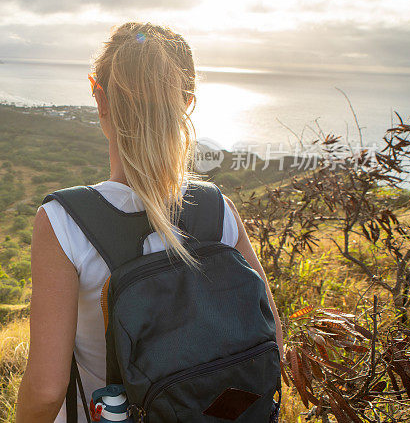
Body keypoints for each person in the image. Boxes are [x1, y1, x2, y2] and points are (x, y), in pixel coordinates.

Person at [15, 23, 284, 423]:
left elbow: (46, 389)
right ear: (187, 103)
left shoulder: (63, 223)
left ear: (98, 95)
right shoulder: (218, 209)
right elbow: (273, 341)